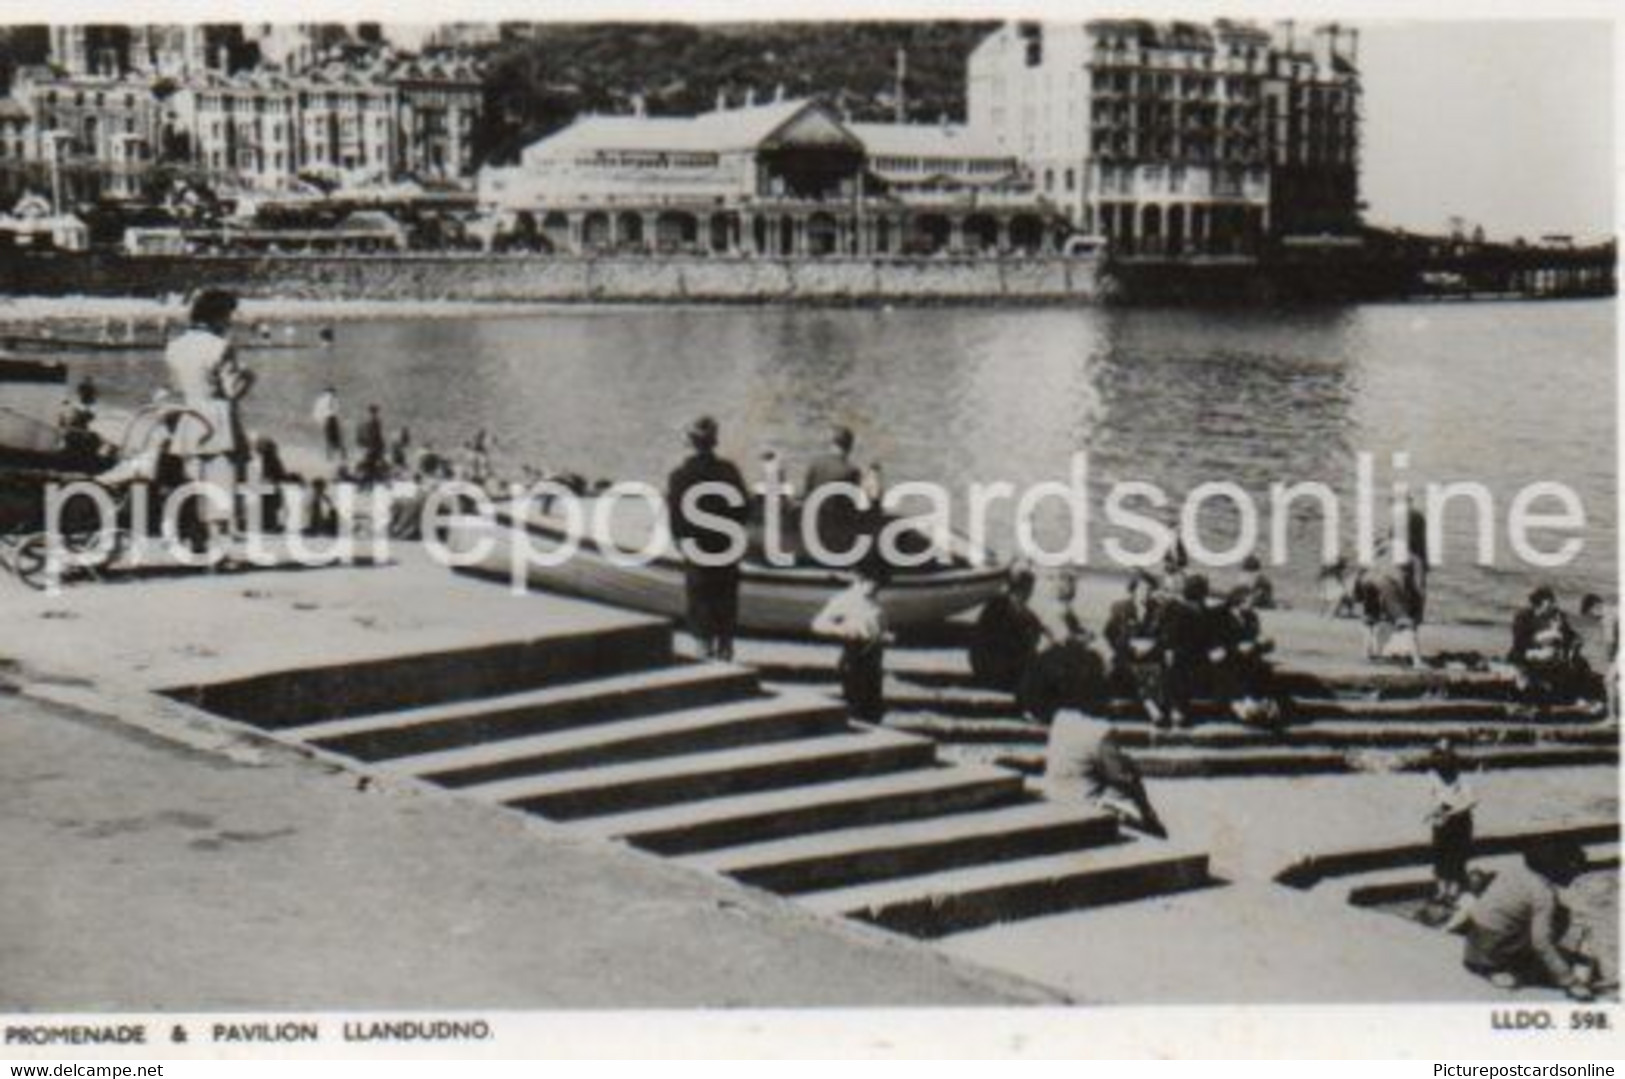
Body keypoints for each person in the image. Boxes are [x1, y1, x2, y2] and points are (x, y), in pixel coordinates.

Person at [164, 288, 252, 555]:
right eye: (228, 316)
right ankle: (219, 548)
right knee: (222, 483)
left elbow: (177, 386)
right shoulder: (221, 347)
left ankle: (197, 542)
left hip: (191, 416)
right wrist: (249, 375)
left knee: (194, 481)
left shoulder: (175, 347)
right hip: (219, 419)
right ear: (219, 315)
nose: (230, 322)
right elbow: (232, 390)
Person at [1461, 839, 1598, 999]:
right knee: (1556, 920)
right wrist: (1569, 980)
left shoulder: (1519, 870)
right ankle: (1497, 967)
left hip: (1475, 937)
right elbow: (1541, 943)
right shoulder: (1543, 894)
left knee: (1559, 914)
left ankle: (1507, 959)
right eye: (1573, 870)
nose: (1575, 875)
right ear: (1556, 869)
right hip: (1490, 951)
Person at [667, 416, 749, 660]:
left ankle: (704, 651)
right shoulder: (729, 470)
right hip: (725, 544)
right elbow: (743, 509)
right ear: (714, 441)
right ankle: (725, 647)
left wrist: (681, 541)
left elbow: (676, 517)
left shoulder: (680, 475)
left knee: (700, 597)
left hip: (697, 546)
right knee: (725, 596)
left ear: (690, 442)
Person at [1043, 710, 1167, 838]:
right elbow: (1121, 777)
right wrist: (1146, 810)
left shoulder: (1062, 718)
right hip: (1086, 803)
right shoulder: (1102, 730)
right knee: (1154, 831)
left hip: (1055, 796)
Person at [1019, 570, 1108, 723]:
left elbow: (1074, 631)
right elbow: (1063, 638)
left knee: (1092, 660)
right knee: (1091, 662)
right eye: (1070, 584)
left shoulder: (1064, 608)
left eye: (1073, 584)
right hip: (1050, 658)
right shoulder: (1056, 609)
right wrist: (1085, 638)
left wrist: (1085, 635)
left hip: (1058, 655)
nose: (1074, 589)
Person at [812, 563, 891, 722]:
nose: (876, 588)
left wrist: (884, 635)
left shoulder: (875, 604)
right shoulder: (844, 599)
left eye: (879, 585)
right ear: (860, 580)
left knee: (873, 706)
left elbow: (879, 628)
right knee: (855, 704)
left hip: (873, 660)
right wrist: (843, 630)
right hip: (854, 658)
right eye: (873, 583)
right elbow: (818, 624)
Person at [969, 562, 1044, 694]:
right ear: (1019, 589)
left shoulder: (1003, 604)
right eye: (1028, 589)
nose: (1029, 594)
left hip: (985, 664)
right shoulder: (1003, 608)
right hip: (992, 665)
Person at [1104, 571, 1168, 726]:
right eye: (1142, 589)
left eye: (1149, 590)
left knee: (1152, 668)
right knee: (1132, 668)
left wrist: (1152, 645)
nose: (1146, 594)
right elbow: (1109, 632)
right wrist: (1128, 646)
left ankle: (1151, 704)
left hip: (1151, 655)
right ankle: (1150, 705)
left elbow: (1166, 635)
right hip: (1126, 655)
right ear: (1133, 590)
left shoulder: (1160, 610)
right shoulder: (1120, 608)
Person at [1509, 586, 1589, 704]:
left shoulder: (1557, 616)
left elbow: (1570, 635)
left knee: (1580, 663)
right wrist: (1544, 638)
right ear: (1540, 603)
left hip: (1553, 655)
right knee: (1527, 682)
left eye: (1553, 601)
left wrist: (1575, 643)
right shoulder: (1523, 616)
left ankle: (1574, 693)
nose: (1553, 604)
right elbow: (1520, 643)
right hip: (1526, 654)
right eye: (1550, 601)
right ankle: (1532, 682)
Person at [1427, 740, 1477, 905]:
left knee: (1457, 857)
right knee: (1440, 856)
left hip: (1460, 822)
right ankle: (1441, 891)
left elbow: (1471, 800)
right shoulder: (1432, 775)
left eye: (1446, 756)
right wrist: (1435, 811)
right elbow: (1432, 797)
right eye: (1439, 756)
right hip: (1441, 821)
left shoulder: (1461, 776)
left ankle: (1453, 892)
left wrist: (1451, 811)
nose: (1442, 760)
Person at [802, 425, 863, 560]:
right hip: (836, 531)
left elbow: (806, 494)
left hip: (812, 525)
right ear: (850, 447)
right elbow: (852, 507)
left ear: (832, 443)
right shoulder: (851, 471)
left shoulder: (815, 464)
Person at [1580, 593, 1617, 718]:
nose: (1595, 619)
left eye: (1592, 615)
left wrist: (1610, 660)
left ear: (1595, 607)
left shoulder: (1607, 616)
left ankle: (1612, 718)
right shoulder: (1615, 609)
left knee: (1609, 681)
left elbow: (1610, 642)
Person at [356, 404, 387, 486]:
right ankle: (365, 484)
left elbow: (376, 435)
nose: (373, 413)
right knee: (371, 466)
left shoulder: (374, 422)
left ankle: (365, 484)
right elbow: (375, 435)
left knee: (372, 466)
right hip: (374, 447)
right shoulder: (373, 422)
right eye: (373, 412)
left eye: (374, 412)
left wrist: (373, 446)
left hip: (374, 447)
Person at [313, 386, 345, 463]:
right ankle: (342, 458)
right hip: (332, 420)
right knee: (337, 440)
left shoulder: (320, 400)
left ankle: (330, 458)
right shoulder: (334, 399)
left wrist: (321, 422)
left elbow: (316, 413)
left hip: (327, 421)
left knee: (329, 440)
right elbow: (338, 412)